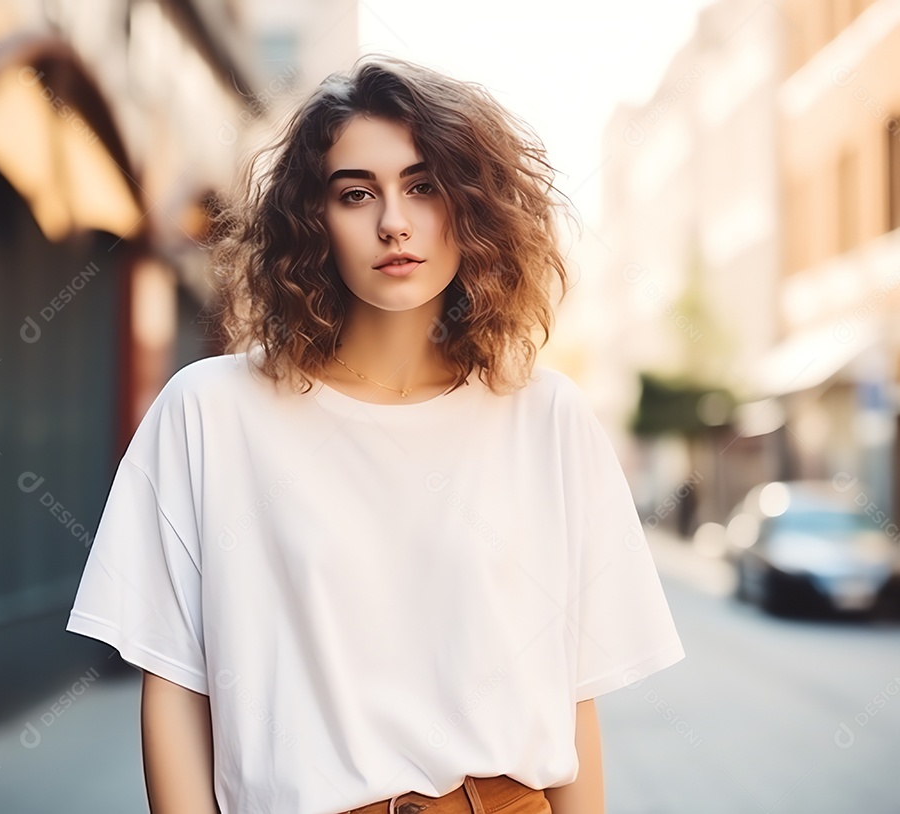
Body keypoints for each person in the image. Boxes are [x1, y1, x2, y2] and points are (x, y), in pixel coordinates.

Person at [65, 54, 686, 814]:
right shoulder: (210, 411)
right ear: (313, 221)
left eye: (423, 186)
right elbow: (172, 690)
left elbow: (571, 698)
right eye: (356, 194)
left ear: (473, 207)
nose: (394, 221)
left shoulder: (548, 418)